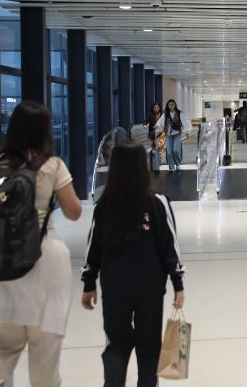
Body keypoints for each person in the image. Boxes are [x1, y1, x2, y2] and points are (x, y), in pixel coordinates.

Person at [0, 101, 83, 386]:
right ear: (44, 132)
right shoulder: (51, 165)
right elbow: (74, 211)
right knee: (44, 362)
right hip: (42, 267)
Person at [80, 140, 185, 387]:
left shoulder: (104, 206)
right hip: (149, 288)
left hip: (114, 287)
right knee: (149, 347)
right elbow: (169, 246)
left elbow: (93, 247)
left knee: (116, 344)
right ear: (143, 166)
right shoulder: (157, 203)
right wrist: (178, 282)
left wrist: (88, 282)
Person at [155, 99, 191, 172]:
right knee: (169, 152)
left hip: (177, 133)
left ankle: (177, 164)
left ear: (175, 105)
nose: (171, 106)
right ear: (168, 106)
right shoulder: (165, 114)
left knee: (175, 150)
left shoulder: (179, 113)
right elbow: (160, 123)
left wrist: (187, 132)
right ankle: (171, 166)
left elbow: (185, 122)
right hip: (168, 134)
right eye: (170, 105)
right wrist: (156, 127)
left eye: (172, 104)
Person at [144, 102, 163, 174]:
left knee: (160, 145)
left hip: (162, 132)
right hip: (153, 133)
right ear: (152, 108)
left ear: (159, 108)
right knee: (153, 146)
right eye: (154, 108)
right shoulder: (150, 115)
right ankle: (153, 160)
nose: (156, 109)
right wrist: (145, 125)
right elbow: (146, 121)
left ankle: (159, 161)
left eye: (157, 107)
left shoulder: (162, 114)